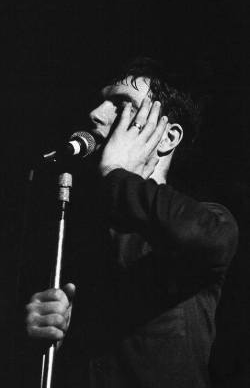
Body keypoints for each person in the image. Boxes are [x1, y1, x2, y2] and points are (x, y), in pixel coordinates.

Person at [25, 58, 238, 387]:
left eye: (121, 104)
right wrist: (48, 328)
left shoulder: (207, 218)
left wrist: (117, 174)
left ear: (167, 138)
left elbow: (207, 238)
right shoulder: (79, 231)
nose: (96, 113)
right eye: (102, 100)